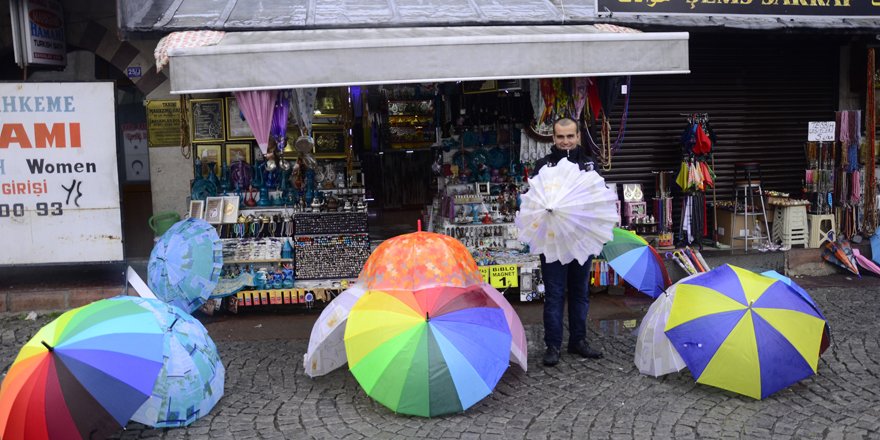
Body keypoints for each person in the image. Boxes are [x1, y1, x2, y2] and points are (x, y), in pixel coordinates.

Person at [532, 117, 604, 366]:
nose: (565, 142)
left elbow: (599, 200)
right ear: (553, 138)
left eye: (570, 136)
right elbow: (532, 201)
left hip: (581, 241)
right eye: (560, 137)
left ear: (578, 136)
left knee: (580, 293)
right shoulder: (543, 165)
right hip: (552, 242)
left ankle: (578, 341)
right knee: (553, 295)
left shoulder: (589, 164)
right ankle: (552, 345)